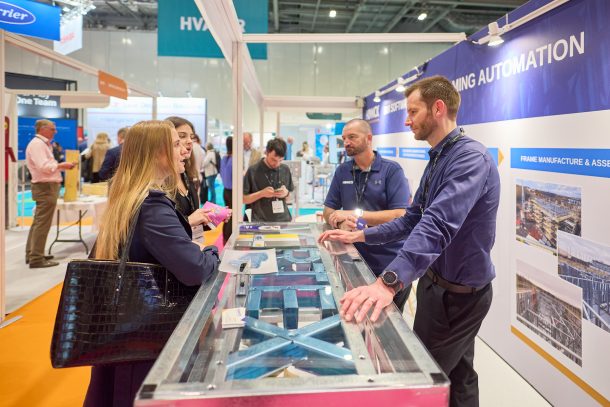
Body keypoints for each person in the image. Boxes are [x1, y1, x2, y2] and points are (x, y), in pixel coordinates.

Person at [318, 76, 500, 407]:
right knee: (460, 377)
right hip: (434, 286)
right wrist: (360, 234)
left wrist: (388, 282)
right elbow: (411, 218)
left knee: (419, 383)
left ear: (438, 108)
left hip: (460, 297)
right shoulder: (439, 158)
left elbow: (437, 224)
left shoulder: (470, 159)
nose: (406, 120)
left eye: (413, 111)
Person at [84, 120, 219, 407]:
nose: (184, 150)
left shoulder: (129, 197)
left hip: (126, 331)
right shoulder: (152, 205)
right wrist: (212, 253)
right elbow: (195, 269)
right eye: (176, 143)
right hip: (147, 337)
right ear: (156, 153)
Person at [323, 118, 411, 310]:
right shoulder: (342, 171)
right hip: (352, 259)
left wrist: (358, 215)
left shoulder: (391, 170)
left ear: (369, 138)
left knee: (388, 323)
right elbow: (328, 210)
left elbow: (401, 214)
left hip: (388, 263)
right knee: (354, 317)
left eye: (352, 137)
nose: (346, 142)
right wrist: (340, 223)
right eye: (344, 138)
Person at [25, 119, 75, 268]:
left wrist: (60, 167)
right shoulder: (38, 144)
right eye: (53, 129)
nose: (55, 132)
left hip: (45, 186)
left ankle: (33, 253)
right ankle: (36, 258)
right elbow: (43, 167)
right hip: (45, 187)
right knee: (42, 224)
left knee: (39, 222)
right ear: (43, 129)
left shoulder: (41, 144)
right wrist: (60, 165)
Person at [243, 138, 294, 222]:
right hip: (260, 221)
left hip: (283, 220)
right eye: (273, 160)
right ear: (266, 152)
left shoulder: (285, 169)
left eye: (280, 160)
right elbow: (244, 199)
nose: (277, 164)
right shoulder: (253, 171)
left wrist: (286, 193)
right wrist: (261, 194)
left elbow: (290, 197)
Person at [165, 117, 201, 219]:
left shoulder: (186, 172)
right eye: (182, 136)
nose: (190, 141)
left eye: (192, 137)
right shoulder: (159, 180)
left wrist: (205, 217)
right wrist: (190, 221)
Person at [220, 136, 233, 243]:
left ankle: (225, 238)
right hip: (232, 192)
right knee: (231, 217)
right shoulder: (234, 159)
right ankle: (228, 239)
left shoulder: (224, 158)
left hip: (225, 191)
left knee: (227, 217)